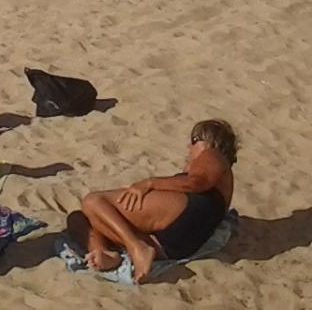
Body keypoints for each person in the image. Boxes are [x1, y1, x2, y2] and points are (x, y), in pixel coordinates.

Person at [67, 119, 237, 284]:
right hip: (170, 245)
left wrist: (149, 183)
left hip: (191, 211)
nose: (189, 147)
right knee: (77, 219)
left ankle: (136, 247)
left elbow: (196, 183)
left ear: (208, 141)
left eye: (194, 141)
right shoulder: (216, 169)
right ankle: (104, 252)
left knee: (94, 201)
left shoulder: (213, 154)